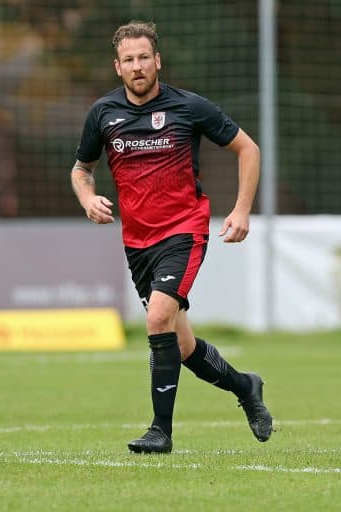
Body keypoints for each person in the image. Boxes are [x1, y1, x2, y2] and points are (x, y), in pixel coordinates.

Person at [70, 20, 272, 454]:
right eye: (129, 60)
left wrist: (241, 209)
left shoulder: (188, 107)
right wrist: (87, 198)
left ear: (157, 60)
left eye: (144, 57)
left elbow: (248, 149)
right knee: (180, 345)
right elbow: (81, 169)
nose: (138, 66)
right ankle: (245, 387)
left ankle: (161, 431)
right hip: (137, 243)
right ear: (117, 67)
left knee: (158, 318)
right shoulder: (103, 114)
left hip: (183, 231)